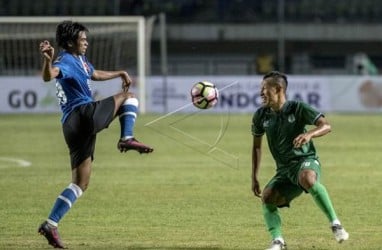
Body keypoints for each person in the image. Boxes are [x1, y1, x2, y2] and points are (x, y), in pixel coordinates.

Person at [37, 20, 153, 249]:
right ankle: (126, 138)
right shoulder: (65, 60)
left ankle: (50, 224)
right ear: (70, 42)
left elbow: (94, 73)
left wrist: (119, 72)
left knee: (80, 183)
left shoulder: (80, 60)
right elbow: (49, 75)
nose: (86, 43)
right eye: (82, 40)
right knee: (128, 97)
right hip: (82, 114)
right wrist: (48, 60)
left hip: (71, 126)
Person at [251, 71, 349, 250]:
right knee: (267, 197)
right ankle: (278, 242)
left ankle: (336, 224)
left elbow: (326, 125)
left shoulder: (297, 108)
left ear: (278, 89)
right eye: (260, 89)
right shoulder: (261, 115)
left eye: (264, 89)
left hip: (305, 161)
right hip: (284, 170)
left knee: (307, 178)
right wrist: (254, 176)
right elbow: (257, 146)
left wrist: (309, 134)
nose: (261, 93)